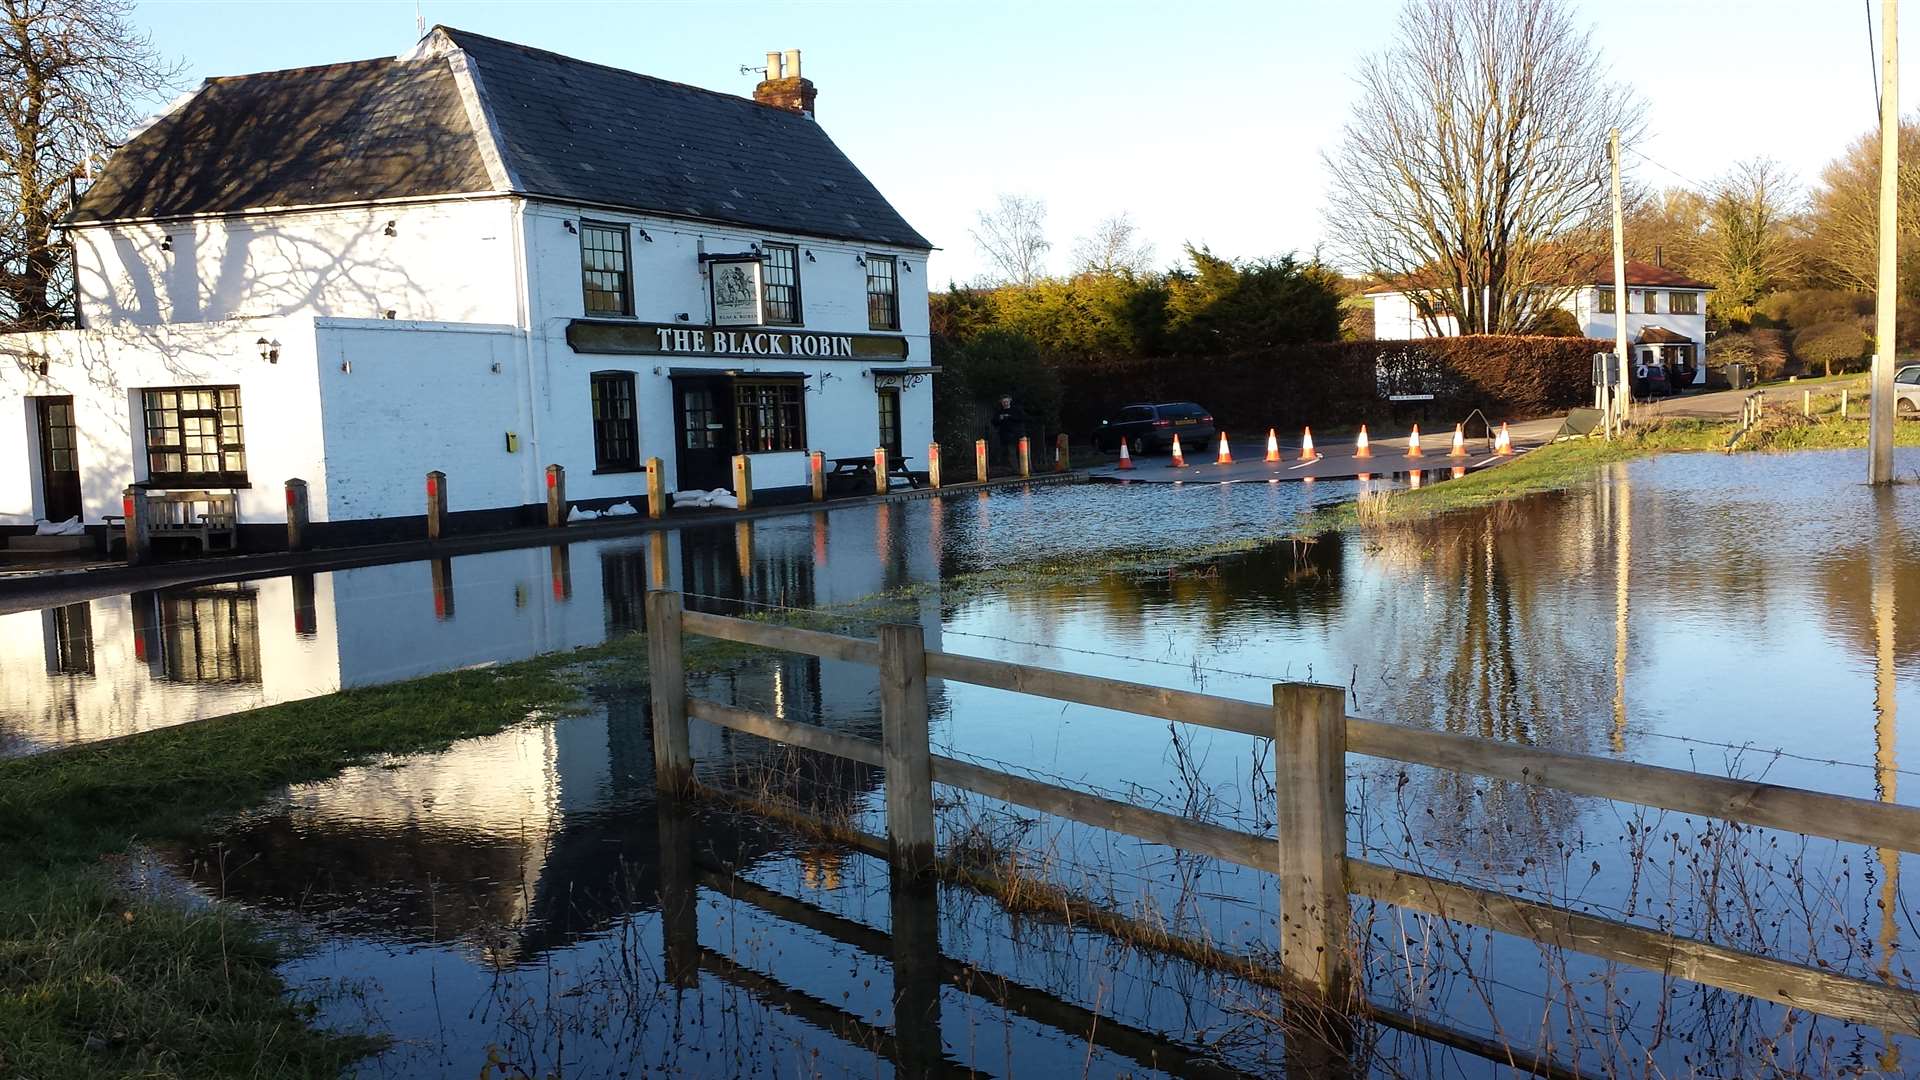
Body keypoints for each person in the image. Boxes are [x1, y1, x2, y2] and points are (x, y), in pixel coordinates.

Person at [990, 394, 1026, 466]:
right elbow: (994, 422)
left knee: (1023, 452)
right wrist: (1000, 418)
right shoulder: (999, 411)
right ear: (1001, 402)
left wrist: (1010, 417)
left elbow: (1022, 418)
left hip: (1018, 434)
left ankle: (1026, 468)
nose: (1005, 403)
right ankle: (1015, 469)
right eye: (1003, 402)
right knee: (1011, 453)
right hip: (1006, 436)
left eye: (1006, 401)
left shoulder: (1016, 410)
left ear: (1010, 401)